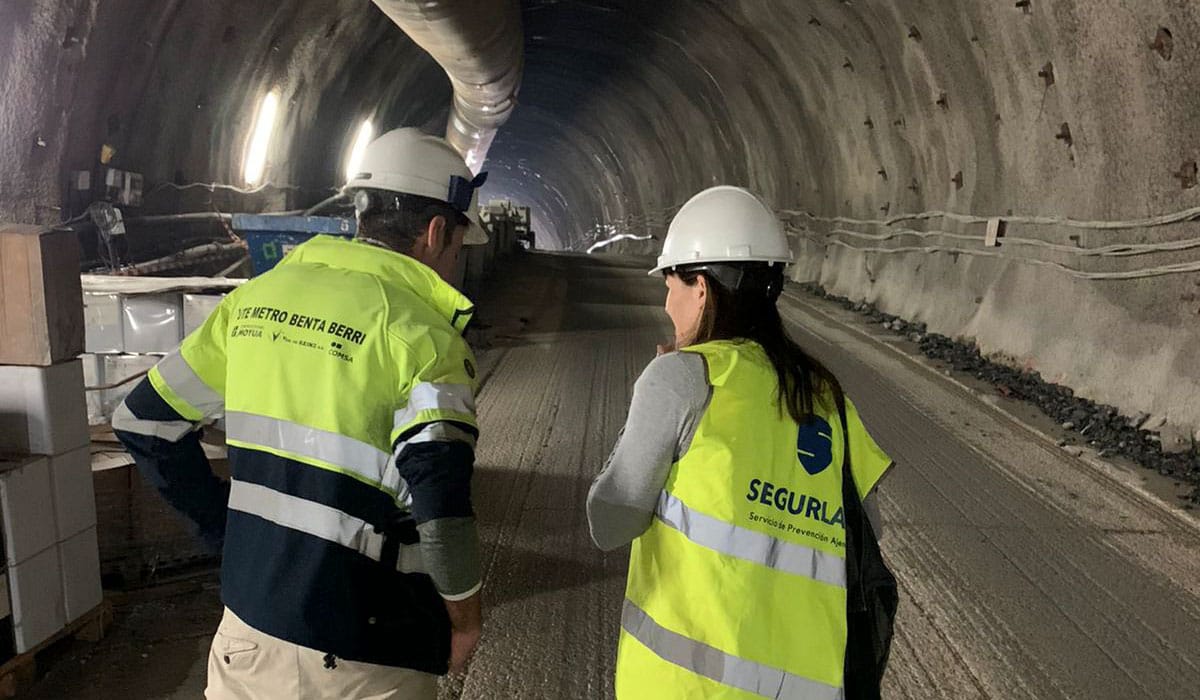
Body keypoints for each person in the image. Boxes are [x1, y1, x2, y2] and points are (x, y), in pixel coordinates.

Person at [113, 127, 492, 699]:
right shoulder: (424, 339)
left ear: (362, 214)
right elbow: (441, 505)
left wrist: (226, 532)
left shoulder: (253, 300)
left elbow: (142, 421)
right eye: (459, 247)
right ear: (437, 231)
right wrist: (464, 621)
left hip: (247, 633)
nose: (454, 263)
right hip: (366, 652)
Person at [587, 186, 895, 699]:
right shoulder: (825, 394)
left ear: (700, 286)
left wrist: (648, 400)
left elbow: (609, 522)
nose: (667, 302)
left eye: (670, 283)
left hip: (690, 688)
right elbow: (867, 531)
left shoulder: (682, 378)